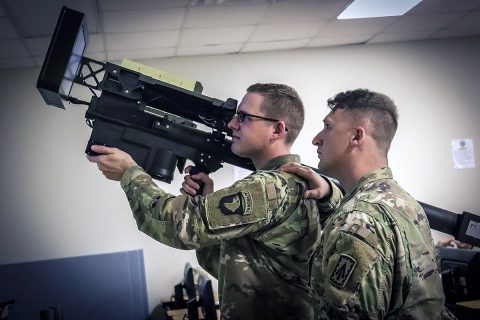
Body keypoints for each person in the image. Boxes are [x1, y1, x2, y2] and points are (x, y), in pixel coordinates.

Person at [87, 83, 342, 320]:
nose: (232, 124)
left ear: (277, 129)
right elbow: (227, 264)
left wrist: (130, 173)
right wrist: (206, 201)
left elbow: (176, 227)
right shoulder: (287, 182)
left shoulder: (270, 186)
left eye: (243, 117)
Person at [281, 89, 454, 319]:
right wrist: (328, 195)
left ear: (356, 137)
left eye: (328, 127)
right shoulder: (404, 202)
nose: (316, 138)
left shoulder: (358, 219)